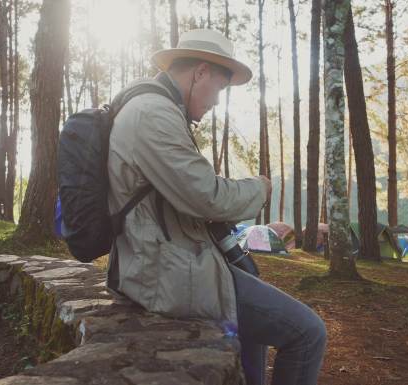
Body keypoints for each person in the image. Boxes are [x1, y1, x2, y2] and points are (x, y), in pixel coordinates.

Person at [106, 29, 326, 385]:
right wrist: (259, 188)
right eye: (220, 89)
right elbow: (208, 196)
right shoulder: (154, 113)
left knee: (254, 329)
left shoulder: (155, 107)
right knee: (308, 332)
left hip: (166, 263)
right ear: (201, 72)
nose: (217, 101)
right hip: (164, 275)